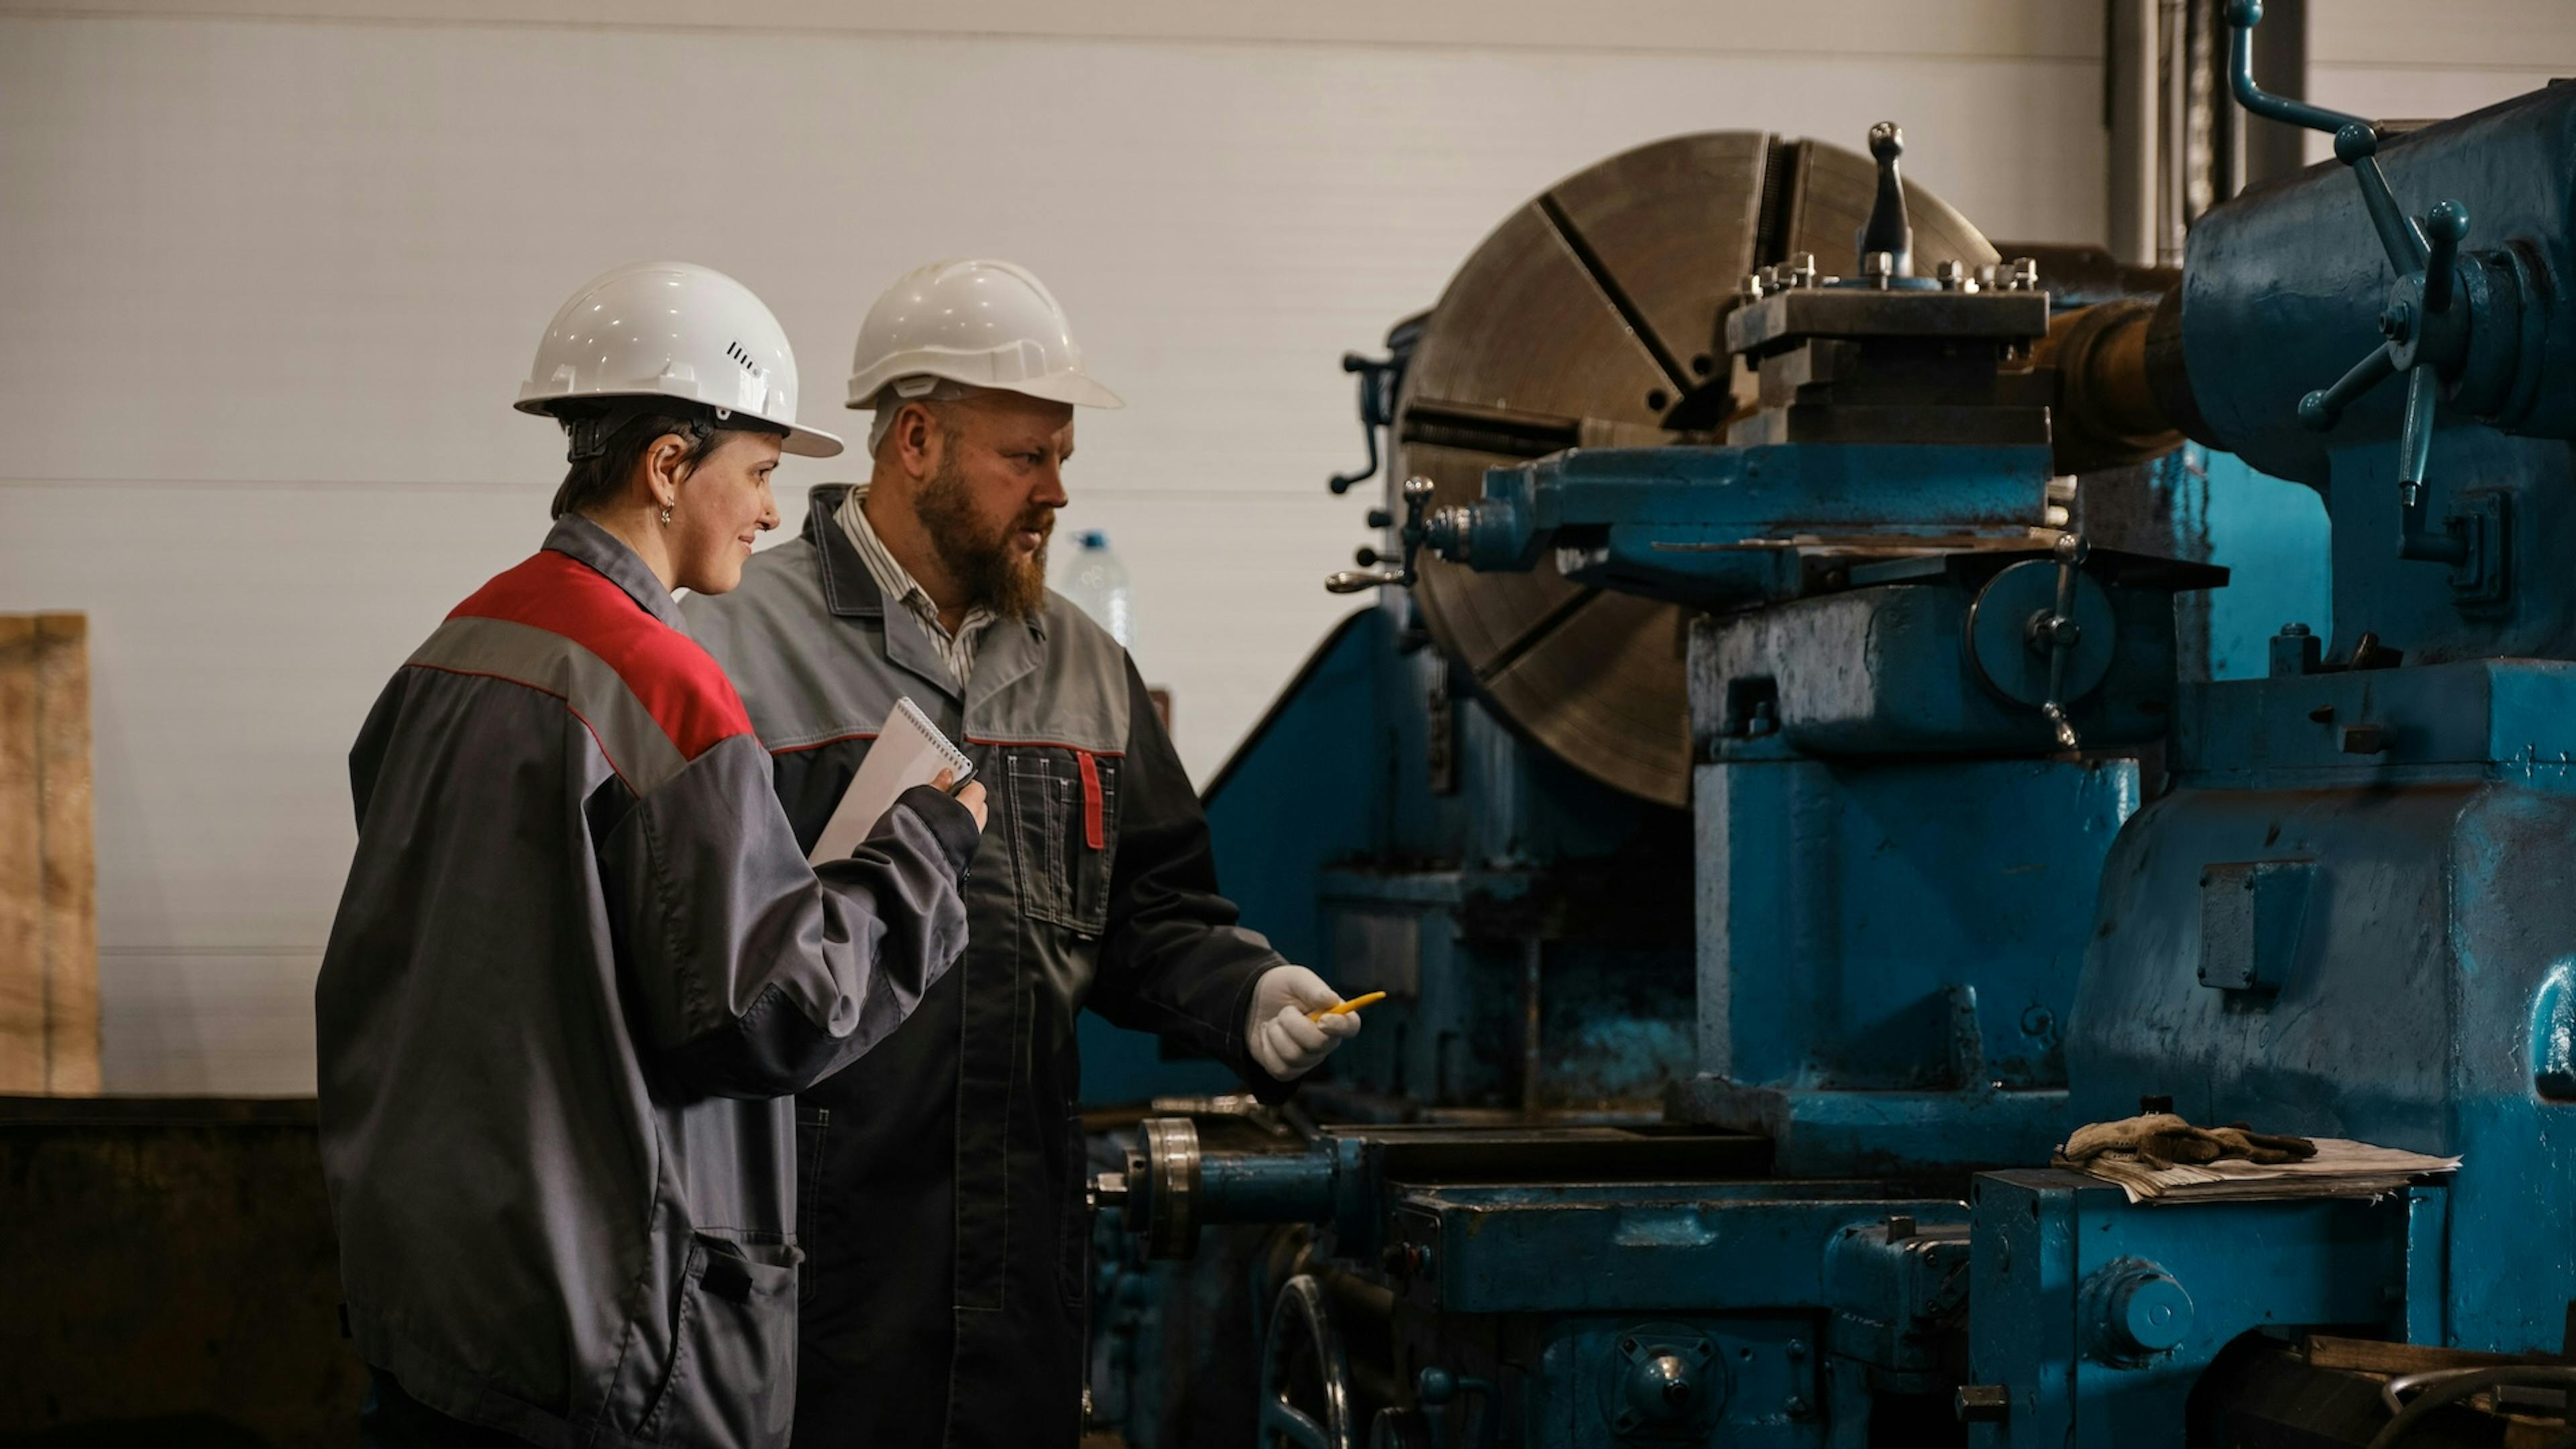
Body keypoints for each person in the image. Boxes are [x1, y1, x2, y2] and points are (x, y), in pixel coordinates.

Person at [680, 258, 1358, 1447]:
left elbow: (1154, 911)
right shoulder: (732, 644)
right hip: (800, 1265)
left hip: (1018, 1272)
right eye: (1025, 456)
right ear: (917, 440)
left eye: (1062, 455)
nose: (1054, 489)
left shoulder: (1087, 668)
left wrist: (1247, 993)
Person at [314, 260, 988, 1449]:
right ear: (670, 465)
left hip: (446, 1307)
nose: (775, 513)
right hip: (599, 1341)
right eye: (764, 474)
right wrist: (930, 844)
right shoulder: (660, 683)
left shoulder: (456, 646)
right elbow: (772, 1009)